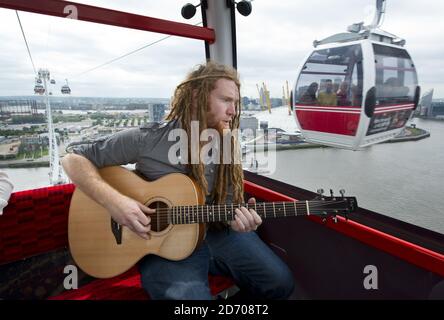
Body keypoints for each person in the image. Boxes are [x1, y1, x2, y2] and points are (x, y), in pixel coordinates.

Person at [61, 61, 295, 300]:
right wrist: (116, 204)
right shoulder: (150, 138)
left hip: (215, 231)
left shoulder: (227, 143)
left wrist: (238, 222)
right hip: (161, 244)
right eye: (226, 100)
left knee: (279, 283)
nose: (234, 111)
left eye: (236, 103)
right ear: (196, 97)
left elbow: (226, 207)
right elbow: (72, 157)